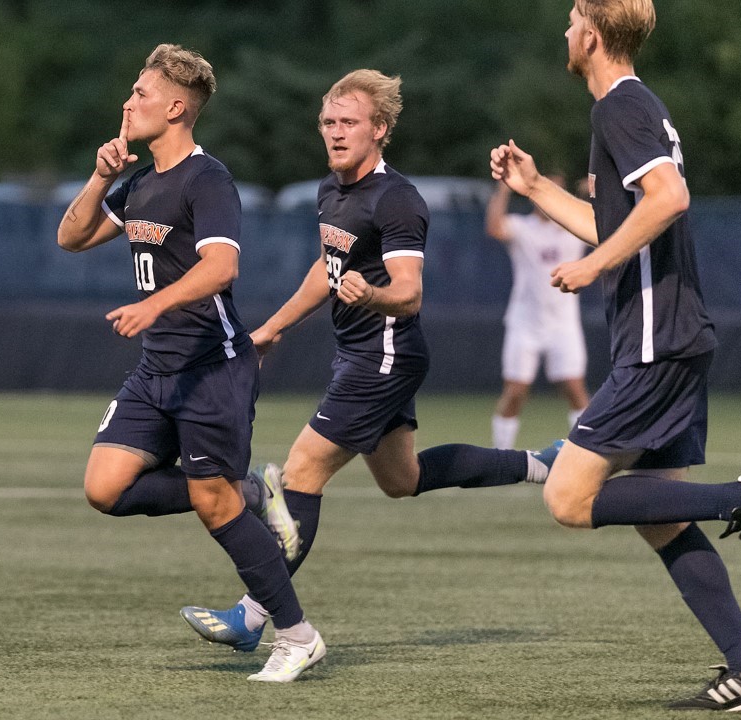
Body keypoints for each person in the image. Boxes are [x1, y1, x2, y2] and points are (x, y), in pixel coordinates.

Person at [179, 69, 553, 653]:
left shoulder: (396, 198)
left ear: (380, 129)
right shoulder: (333, 191)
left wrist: (370, 294)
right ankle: (539, 463)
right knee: (403, 480)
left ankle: (257, 619)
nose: (335, 132)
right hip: (363, 353)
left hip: (384, 355)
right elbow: (325, 270)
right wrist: (271, 328)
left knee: (300, 474)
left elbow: (409, 292)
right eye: (328, 122)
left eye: (348, 122)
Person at [490, 0, 741, 710]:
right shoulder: (632, 107)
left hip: (658, 340)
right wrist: (535, 188)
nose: (564, 32)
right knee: (660, 515)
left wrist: (592, 270)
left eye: (568, 21)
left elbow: (668, 197)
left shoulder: (618, 106)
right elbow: (616, 222)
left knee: (567, 496)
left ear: (590, 35)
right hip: (668, 336)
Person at [55, 43, 323, 682]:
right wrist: (99, 177)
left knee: (212, 502)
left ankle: (296, 636)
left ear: (176, 107)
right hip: (157, 370)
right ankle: (254, 490)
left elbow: (222, 266)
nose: (129, 102)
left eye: (141, 93)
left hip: (211, 366)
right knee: (104, 489)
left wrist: (155, 307)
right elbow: (70, 237)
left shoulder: (207, 178)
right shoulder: (140, 182)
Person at [484, 178, 590, 449]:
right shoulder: (523, 227)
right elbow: (495, 227)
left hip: (564, 323)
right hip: (525, 322)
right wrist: (503, 190)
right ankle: (501, 453)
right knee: (515, 391)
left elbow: (604, 225)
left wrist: (595, 189)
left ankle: (586, 450)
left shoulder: (573, 229)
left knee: (575, 388)